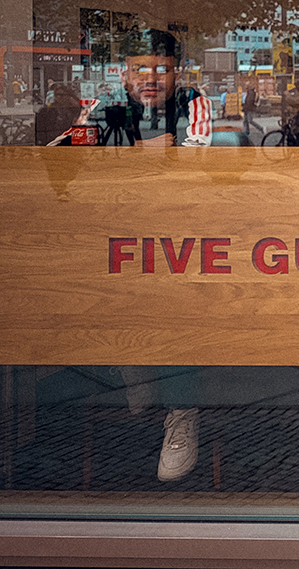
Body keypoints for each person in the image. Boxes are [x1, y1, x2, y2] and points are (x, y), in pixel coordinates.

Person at [119, 29, 212, 481]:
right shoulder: (104, 106)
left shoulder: (194, 101)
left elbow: (191, 163)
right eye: (141, 68)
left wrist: (120, 156)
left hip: (180, 231)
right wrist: (149, 152)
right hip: (116, 229)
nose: (151, 77)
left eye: (162, 68)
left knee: (176, 307)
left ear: (177, 73)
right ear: (124, 74)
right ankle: (133, 363)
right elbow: (66, 164)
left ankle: (182, 412)